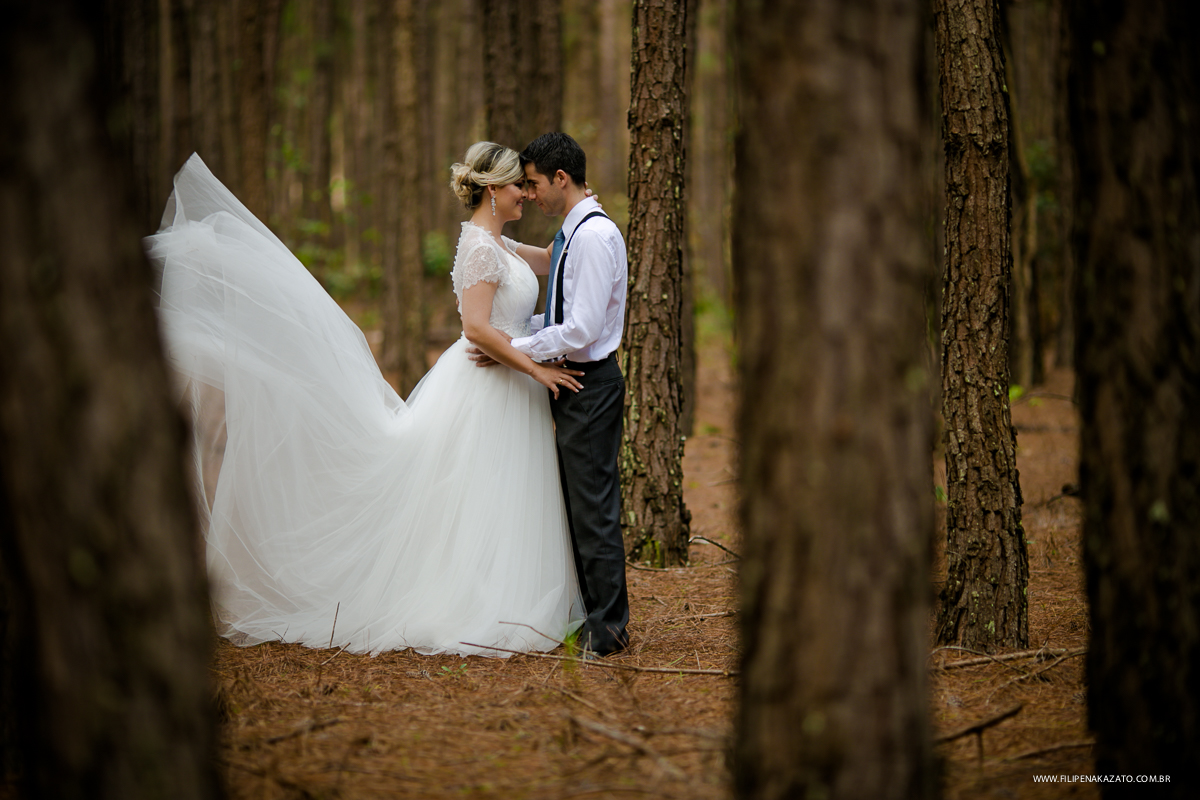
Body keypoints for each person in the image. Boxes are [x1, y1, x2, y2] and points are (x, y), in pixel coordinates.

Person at [146, 143, 586, 656]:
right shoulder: (481, 250)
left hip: (510, 385)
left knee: (502, 489)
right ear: (493, 189)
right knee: (477, 488)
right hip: (488, 386)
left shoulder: (502, 246)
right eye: (519, 187)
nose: (526, 196)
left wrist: (578, 202)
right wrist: (536, 367)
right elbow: (476, 328)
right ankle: (471, 602)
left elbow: (554, 258)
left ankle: (505, 590)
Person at [469, 132, 630, 656]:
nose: (531, 193)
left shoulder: (591, 237)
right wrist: (519, 342)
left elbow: (581, 329)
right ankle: (592, 618)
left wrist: (517, 349)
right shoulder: (571, 235)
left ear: (562, 179)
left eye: (535, 183)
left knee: (594, 510)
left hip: (590, 381)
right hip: (573, 380)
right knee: (580, 507)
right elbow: (561, 318)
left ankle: (607, 633)